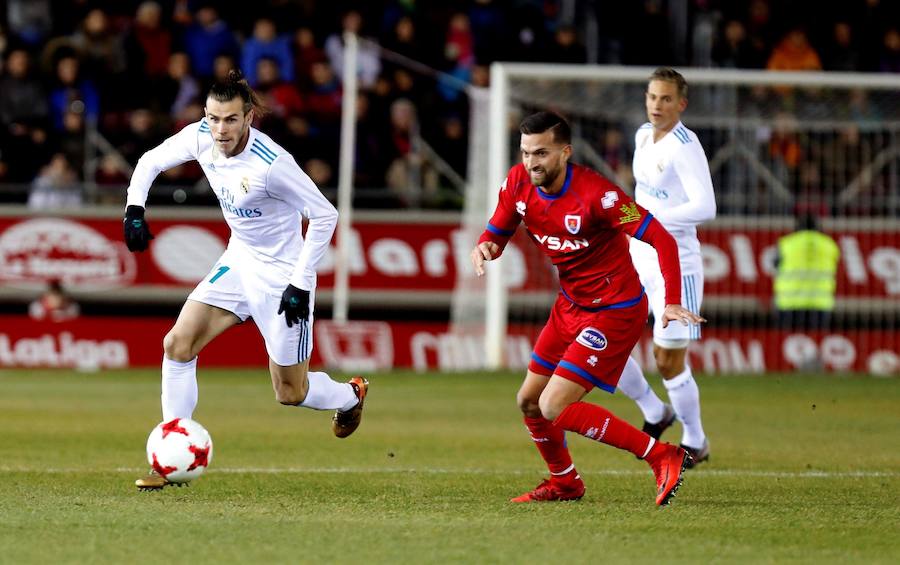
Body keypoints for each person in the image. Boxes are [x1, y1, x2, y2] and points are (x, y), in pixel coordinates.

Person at [124, 70, 368, 490]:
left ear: (249, 117)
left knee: (290, 392)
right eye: (214, 118)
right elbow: (150, 161)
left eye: (231, 120)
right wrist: (134, 208)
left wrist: (300, 281)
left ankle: (351, 395)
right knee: (177, 344)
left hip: (283, 275)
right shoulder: (200, 135)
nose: (220, 129)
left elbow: (326, 214)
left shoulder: (272, 165)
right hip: (239, 261)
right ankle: (171, 454)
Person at [471, 111, 705, 505]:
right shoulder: (517, 183)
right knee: (529, 401)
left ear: (565, 152)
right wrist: (485, 247)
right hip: (571, 305)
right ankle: (565, 483)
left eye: (541, 153)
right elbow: (497, 231)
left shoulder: (600, 196)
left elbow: (661, 238)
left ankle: (662, 454)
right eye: (526, 153)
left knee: (553, 404)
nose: (532, 162)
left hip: (616, 309)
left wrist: (672, 302)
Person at [616, 67, 716, 468]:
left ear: (681, 104)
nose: (657, 105)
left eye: (666, 99)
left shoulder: (685, 146)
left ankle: (696, 441)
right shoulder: (643, 135)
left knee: (667, 359)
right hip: (636, 256)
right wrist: (621, 218)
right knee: (604, 335)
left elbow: (705, 206)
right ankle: (654, 410)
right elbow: (641, 197)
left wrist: (654, 224)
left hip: (677, 263)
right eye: (652, 97)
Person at [774, 213, 840, 334]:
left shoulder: (786, 244)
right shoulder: (830, 245)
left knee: (789, 342)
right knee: (816, 341)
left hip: (790, 303)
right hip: (820, 303)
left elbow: (775, 264)